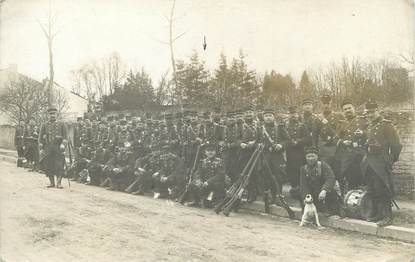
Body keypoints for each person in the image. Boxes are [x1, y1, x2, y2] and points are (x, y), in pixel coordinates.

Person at [361, 100, 402, 226]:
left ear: (378, 111)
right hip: (369, 163)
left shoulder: (386, 125)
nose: (370, 115)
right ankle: (378, 214)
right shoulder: (368, 126)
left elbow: (397, 145)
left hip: (381, 164)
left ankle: (387, 217)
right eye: (368, 112)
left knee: (383, 189)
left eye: (372, 112)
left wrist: (390, 160)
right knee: (372, 189)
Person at [337, 98, 367, 194]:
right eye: (345, 109)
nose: (347, 111)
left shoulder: (363, 120)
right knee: (350, 182)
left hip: (361, 156)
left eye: (349, 108)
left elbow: (371, 135)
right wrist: (343, 142)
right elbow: (337, 138)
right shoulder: (341, 123)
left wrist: (363, 133)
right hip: (348, 157)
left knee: (363, 181)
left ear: (354, 108)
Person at [299, 146, 341, 215]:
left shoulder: (323, 165)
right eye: (308, 157)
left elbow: (331, 178)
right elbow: (303, 184)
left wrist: (324, 190)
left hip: (323, 192)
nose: (311, 159)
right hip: (313, 192)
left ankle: (328, 208)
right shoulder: (303, 169)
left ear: (317, 157)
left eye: (313, 156)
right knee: (296, 191)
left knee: (330, 195)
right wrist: (305, 196)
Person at [187, 143, 226, 208]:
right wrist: (199, 181)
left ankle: (216, 202)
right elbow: (198, 173)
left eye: (212, 151)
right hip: (204, 183)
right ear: (205, 152)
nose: (210, 152)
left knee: (218, 185)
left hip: (213, 184)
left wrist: (208, 182)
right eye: (208, 151)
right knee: (191, 184)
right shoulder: (202, 161)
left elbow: (220, 175)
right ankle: (195, 200)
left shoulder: (220, 162)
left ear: (215, 152)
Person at [39, 107, 68, 188]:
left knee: (59, 165)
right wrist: (41, 148)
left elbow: (66, 137)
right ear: (48, 115)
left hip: (58, 148)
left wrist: (63, 144)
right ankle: (52, 182)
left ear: (56, 114)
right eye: (51, 114)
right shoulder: (44, 125)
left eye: (54, 114)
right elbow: (40, 138)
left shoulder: (62, 124)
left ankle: (59, 183)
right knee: (48, 165)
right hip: (48, 148)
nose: (52, 115)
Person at [285, 105, 310, 198]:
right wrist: (289, 142)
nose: (293, 116)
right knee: (291, 171)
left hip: (300, 152)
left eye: (295, 114)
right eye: (291, 114)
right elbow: (281, 138)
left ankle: (301, 189)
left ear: (298, 114)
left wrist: (298, 141)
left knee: (300, 170)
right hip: (288, 152)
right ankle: (294, 189)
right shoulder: (285, 126)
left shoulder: (302, 125)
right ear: (289, 115)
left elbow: (308, 138)